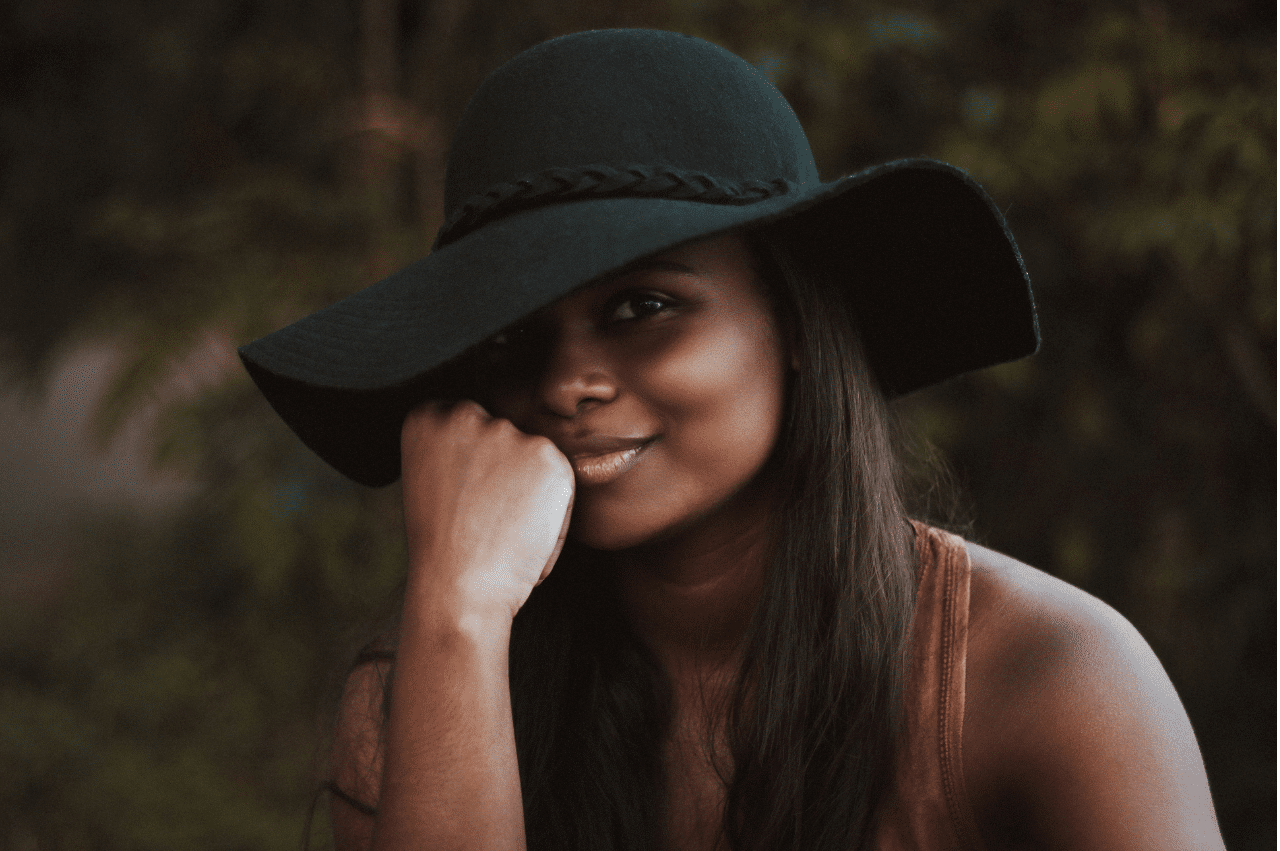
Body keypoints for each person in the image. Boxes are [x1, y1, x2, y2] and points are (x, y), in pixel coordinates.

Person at [239, 29, 1224, 851]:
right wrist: (456, 610)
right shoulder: (420, 692)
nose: (563, 381)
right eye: (511, 338)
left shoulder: (1051, 684)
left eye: (641, 305)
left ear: (793, 324)